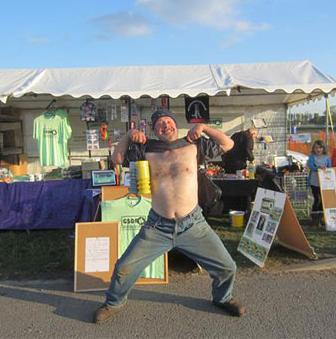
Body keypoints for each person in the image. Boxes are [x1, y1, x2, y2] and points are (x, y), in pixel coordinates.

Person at [93, 109, 245, 324]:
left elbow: (228, 144)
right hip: (157, 227)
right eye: (160, 124)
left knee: (227, 266)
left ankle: (223, 298)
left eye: (168, 121)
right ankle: (113, 302)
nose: (165, 126)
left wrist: (204, 127)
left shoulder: (194, 144)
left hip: (193, 225)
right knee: (123, 268)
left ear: (175, 124)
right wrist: (128, 136)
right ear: (155, 129)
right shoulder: (146, 148)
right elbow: (116, 159)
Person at [307, 140, 331, 226]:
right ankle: (314, 218)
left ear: (323, 148)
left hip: (324, 182)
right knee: (317, 199)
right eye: (316, 147)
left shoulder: (327, 157)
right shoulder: (312, 157)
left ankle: (321, 218)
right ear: (313, 148)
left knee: (322, 200)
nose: (318, 149)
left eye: (320, 147)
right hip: (314, 182)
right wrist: (317, 168)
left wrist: (326, 168)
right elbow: (311, 166)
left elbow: (329, 167)